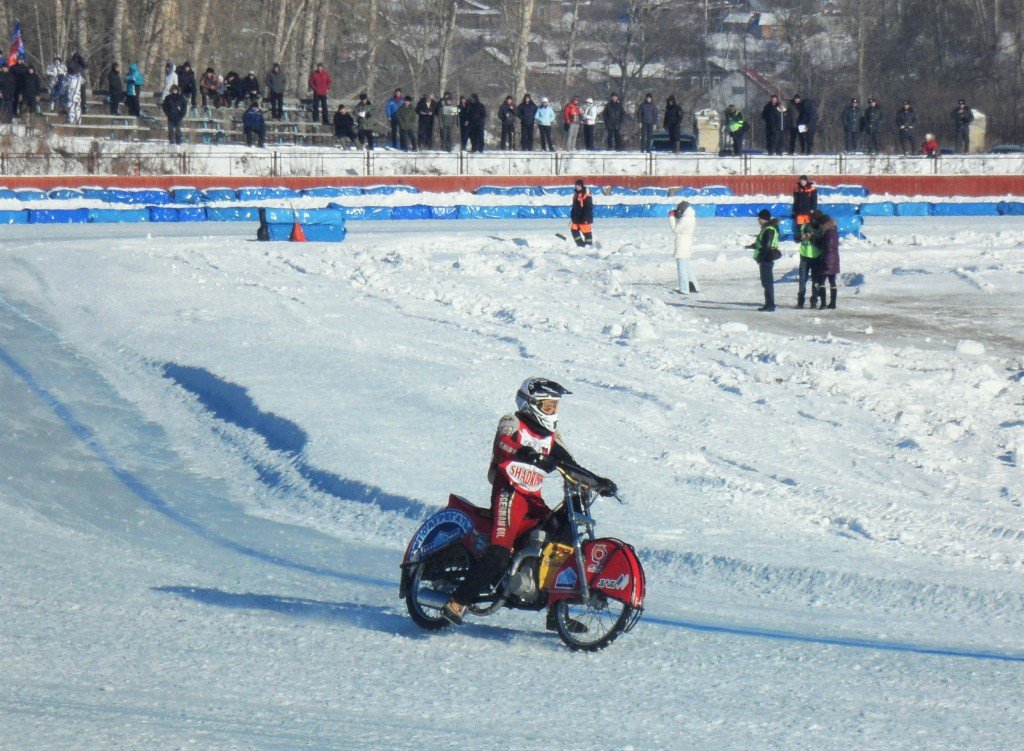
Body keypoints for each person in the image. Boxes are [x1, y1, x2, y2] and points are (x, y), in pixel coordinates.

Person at [442, 378, 617, 630]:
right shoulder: (512, 421)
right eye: (548, 407)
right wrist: (527, 453)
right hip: (509, 494)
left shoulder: (552, 436)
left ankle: (556, 613)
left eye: (555, 407)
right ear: (530, 404)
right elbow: (504, 444)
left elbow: (570, 464)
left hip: (533, 500)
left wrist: (597, 481)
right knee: (500, 554)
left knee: (560, 543)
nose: (553, 412)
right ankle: (457, 602)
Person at [746, 208, 779, 312]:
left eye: (759, 218)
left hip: (766, 258)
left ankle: (770, 304)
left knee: (767, 282)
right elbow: (763, 243)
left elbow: (766, 246)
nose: (758, 220)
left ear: (763, 219)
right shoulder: (767, 229)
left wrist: (760, 257)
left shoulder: (768, 229)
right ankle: (769, 303)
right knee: (766, 282)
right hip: (766, 258)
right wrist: (754, 246)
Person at [810, 210, 840, 309]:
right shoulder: (834, 231)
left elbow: (825, 246)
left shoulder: (828, 233)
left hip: (827, 259)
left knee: (821, 281)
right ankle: (833, 303)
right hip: (834, 259)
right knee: (832, 281)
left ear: (824, 224)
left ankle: (823, 303)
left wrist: (814, 240)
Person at [669, 201, 699, 294]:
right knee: (687, 266)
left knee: (681, 267)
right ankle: (695, 286)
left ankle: (684, 289)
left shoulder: (685, 219)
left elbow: (675, 229)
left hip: (682, 243)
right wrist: (678, 218)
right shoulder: (690, 217)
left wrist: (671, 217)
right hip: (687, 242)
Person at [795, 218, 823, 309]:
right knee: (802, 280)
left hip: (816, 257)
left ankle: (814, 301)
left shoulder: (820, 227)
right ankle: (800, 302)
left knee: (815, 281)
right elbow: (796, 238)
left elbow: (821, 241)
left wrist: (812, 237)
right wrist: (800, 237)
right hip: (804, 256)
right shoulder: (804, 226)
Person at [569, 179, 594, 247]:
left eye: (579, 185)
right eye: (576, 185)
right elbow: (574, 206)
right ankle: (580, 245)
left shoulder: (586, 195)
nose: (577, 187)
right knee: (573, 229)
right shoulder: (576, 195)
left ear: (582, 186)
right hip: (576, 217)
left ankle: (588, 246)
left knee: (586, 232)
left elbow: (588, 207)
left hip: (584, 218)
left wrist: (586, 218)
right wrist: (572, 215)